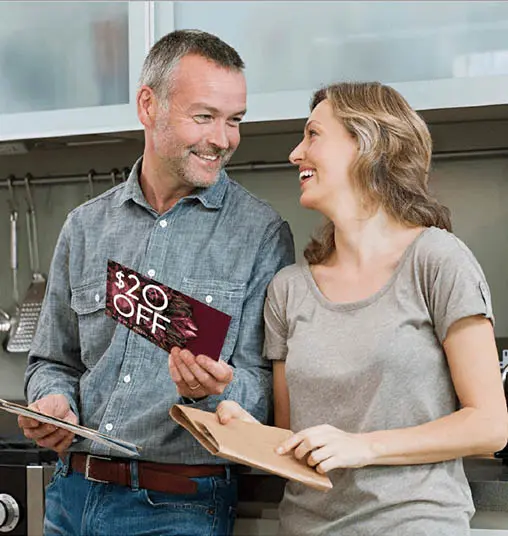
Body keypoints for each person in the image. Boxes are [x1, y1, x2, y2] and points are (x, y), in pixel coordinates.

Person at [18, 29, 295, 536]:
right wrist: (54, 402)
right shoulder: (84, 227)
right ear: (149, 106)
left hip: (180, 508)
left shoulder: (262, 234)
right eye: (204, 116)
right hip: (70, 496)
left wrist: (217, 391)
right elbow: (51, 361)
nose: (223, 138)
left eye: (234, 120)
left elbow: (265, 392)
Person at [217, 81, 508, 536]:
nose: (296, 153)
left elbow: (490, 425)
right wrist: (244, 431)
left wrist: (363, 447)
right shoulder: (288, 290)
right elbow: (298, 442)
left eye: (313, 134)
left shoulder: (437, 261)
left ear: (367, 144)